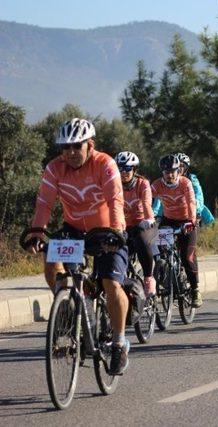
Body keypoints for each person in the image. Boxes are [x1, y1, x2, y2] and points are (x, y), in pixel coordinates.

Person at [26, 118, 130, 375]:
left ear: (90, 145)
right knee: (52, 265)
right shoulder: (54, 168)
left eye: (77, 146)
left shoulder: (105, 164)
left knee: (111, 284)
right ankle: (72, 308)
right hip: (73, 230)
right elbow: (44, 203)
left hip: (106, 231)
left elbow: (115, 199)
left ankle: (118, 342)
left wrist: (116, 231)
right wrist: (37, 231)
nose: (70, 153)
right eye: (65, 148)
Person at [151, 154, 202, 308]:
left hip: (187, 221)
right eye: (167, 172)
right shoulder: (157, 185)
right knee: (160, 253)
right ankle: (164, 278)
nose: (170, 175)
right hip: (169, 221)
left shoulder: (185, 183)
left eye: (173, 171)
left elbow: (192, 202)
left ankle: (195, 290)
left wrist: (191, 221)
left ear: (178, 171)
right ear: (162, 173)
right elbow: (145, 200)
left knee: (187, 257)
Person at [115, 151, 157, 297]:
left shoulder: (142, 184)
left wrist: (148, 220)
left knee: (140, 234)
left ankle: (148, 278)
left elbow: (146, 204)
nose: (123, 172)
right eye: (120, 169)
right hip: (123, 228)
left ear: (134, 170)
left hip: (144, 225)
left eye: (127, 169)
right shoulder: (114, 185)